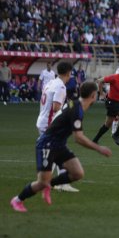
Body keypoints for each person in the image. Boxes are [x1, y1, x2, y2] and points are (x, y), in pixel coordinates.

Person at [10, 81, 112, 212]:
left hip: (59, 145)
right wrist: (99, 148)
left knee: (77, 173)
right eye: (97, 93)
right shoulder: (77, 109)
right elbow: (78, 138)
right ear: (93, 95)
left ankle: (49, 185)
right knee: (41, 182)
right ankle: (17, 200)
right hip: (47, 144)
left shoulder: (74, 103)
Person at [36, 61, 80, 193]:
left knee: (56, 152)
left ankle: (60, 182)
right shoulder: (61, 86)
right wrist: (68, 110)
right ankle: (48, 183)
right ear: (68, 73)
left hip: (42, 120)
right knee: (56, 152)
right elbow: (56, 107)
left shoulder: (51, 83)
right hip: (50, 124)